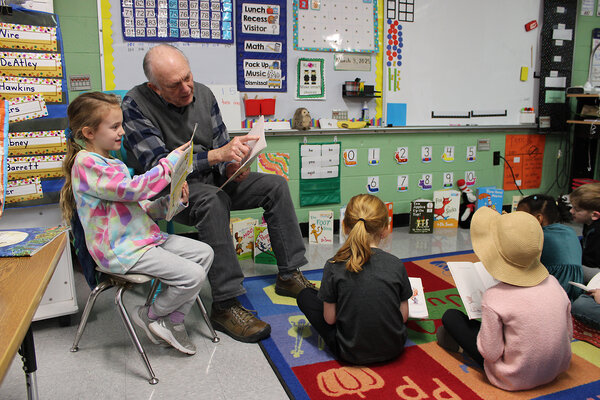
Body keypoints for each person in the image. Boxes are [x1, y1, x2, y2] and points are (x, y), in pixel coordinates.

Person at [121, 44, 315, 343]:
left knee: (274, 186)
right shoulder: (134, 104)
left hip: (213, 180)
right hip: (173, 192)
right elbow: (158, 167)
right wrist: (216, 156)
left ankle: (289, 275)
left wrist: (233, 164)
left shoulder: (204, 94)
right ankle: (225, 304)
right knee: (213, 200)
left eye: (188, 77)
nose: (187, 88)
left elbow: (222, 147)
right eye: (175, 84)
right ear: (155, 88)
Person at [60, 92, 214, 355]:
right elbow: (132, 191)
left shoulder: (112, 162)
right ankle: (150, 314)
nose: (122, 132)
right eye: (114, 126)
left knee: (204, 253)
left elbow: (137, 207)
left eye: (121, 124)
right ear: (88, 132)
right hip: (120, 249)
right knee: (194, 275)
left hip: (142, 239)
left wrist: (171, 203)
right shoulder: (86, 164)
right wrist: (169, 166)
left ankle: (172, 320)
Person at [437, 208, 572, 391]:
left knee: (451, 316)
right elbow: (568, 335)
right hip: (556, 368)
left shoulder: (494, 297)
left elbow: (490, 353)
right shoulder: (554, 283)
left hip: (512, 375)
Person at [296, 194, 412, 365]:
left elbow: (330, 319)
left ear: (344, 226)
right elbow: (403, 317)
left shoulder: (333, 265)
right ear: (386, 229)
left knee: (306, 295)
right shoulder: (395, 264)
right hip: (394, 348)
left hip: (350, 352)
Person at [516, 194, 583, 300]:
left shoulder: (539, 238)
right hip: (574, 294)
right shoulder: (569, 231)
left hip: (552, 295)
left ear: (538, 218)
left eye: (520, 218)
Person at [569, 183, 600, 283]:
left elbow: (592, 261)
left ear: (594, 215)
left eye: (576, 209)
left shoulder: (597, 234)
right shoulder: (589, 223)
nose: (571, 211)